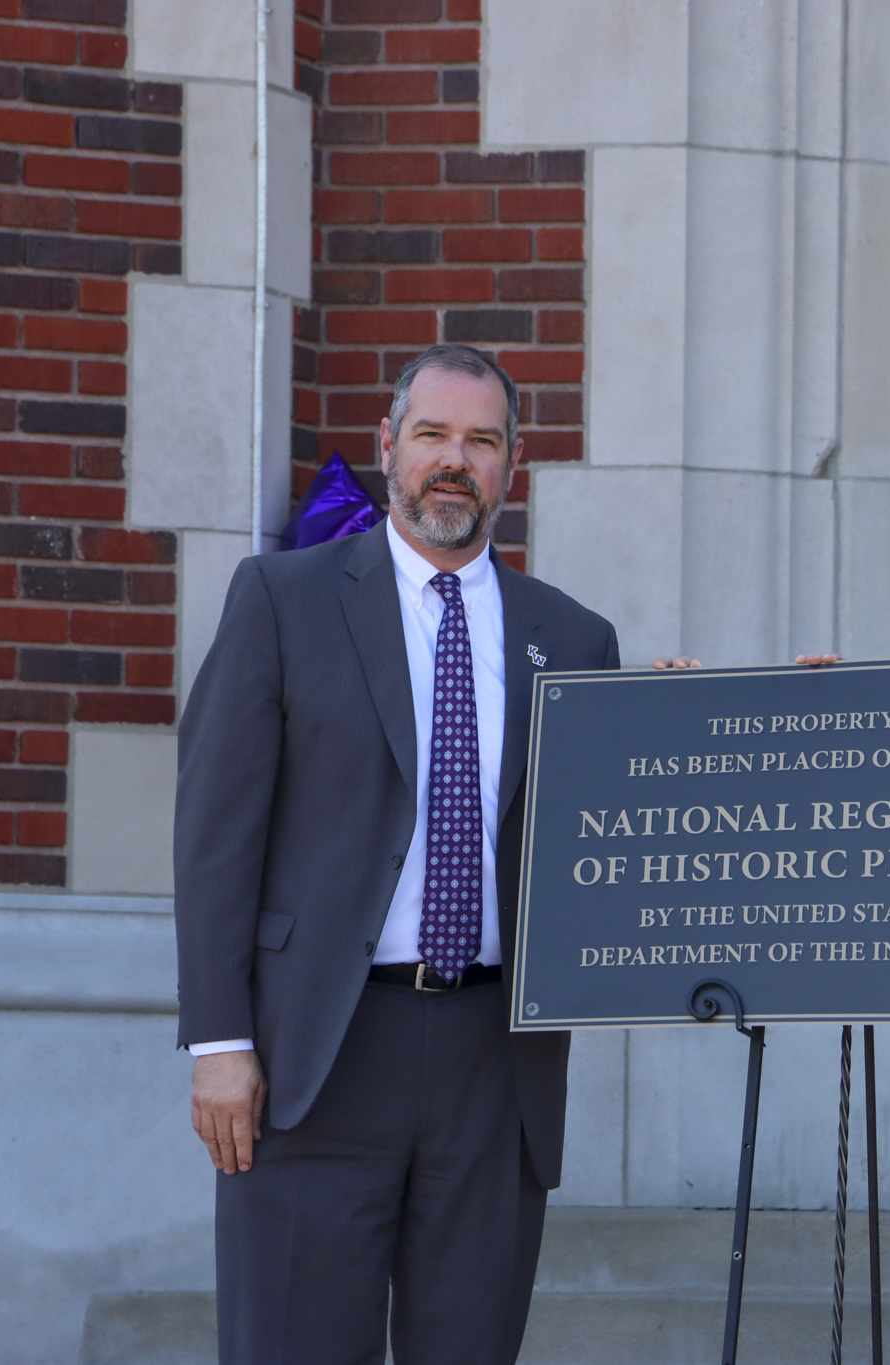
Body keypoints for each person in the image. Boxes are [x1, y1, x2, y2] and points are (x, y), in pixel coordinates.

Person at [174, 343, 620, 1365]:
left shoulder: (574, 637)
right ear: (388, 447)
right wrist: (218, 1043)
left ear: (512, 464)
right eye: (432, 435)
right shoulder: (280, 601)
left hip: (493, 1066)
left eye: (481, 440)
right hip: (314, 1057)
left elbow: (605, 835)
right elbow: (212, 840)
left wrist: (706, 720)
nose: (453, 460)